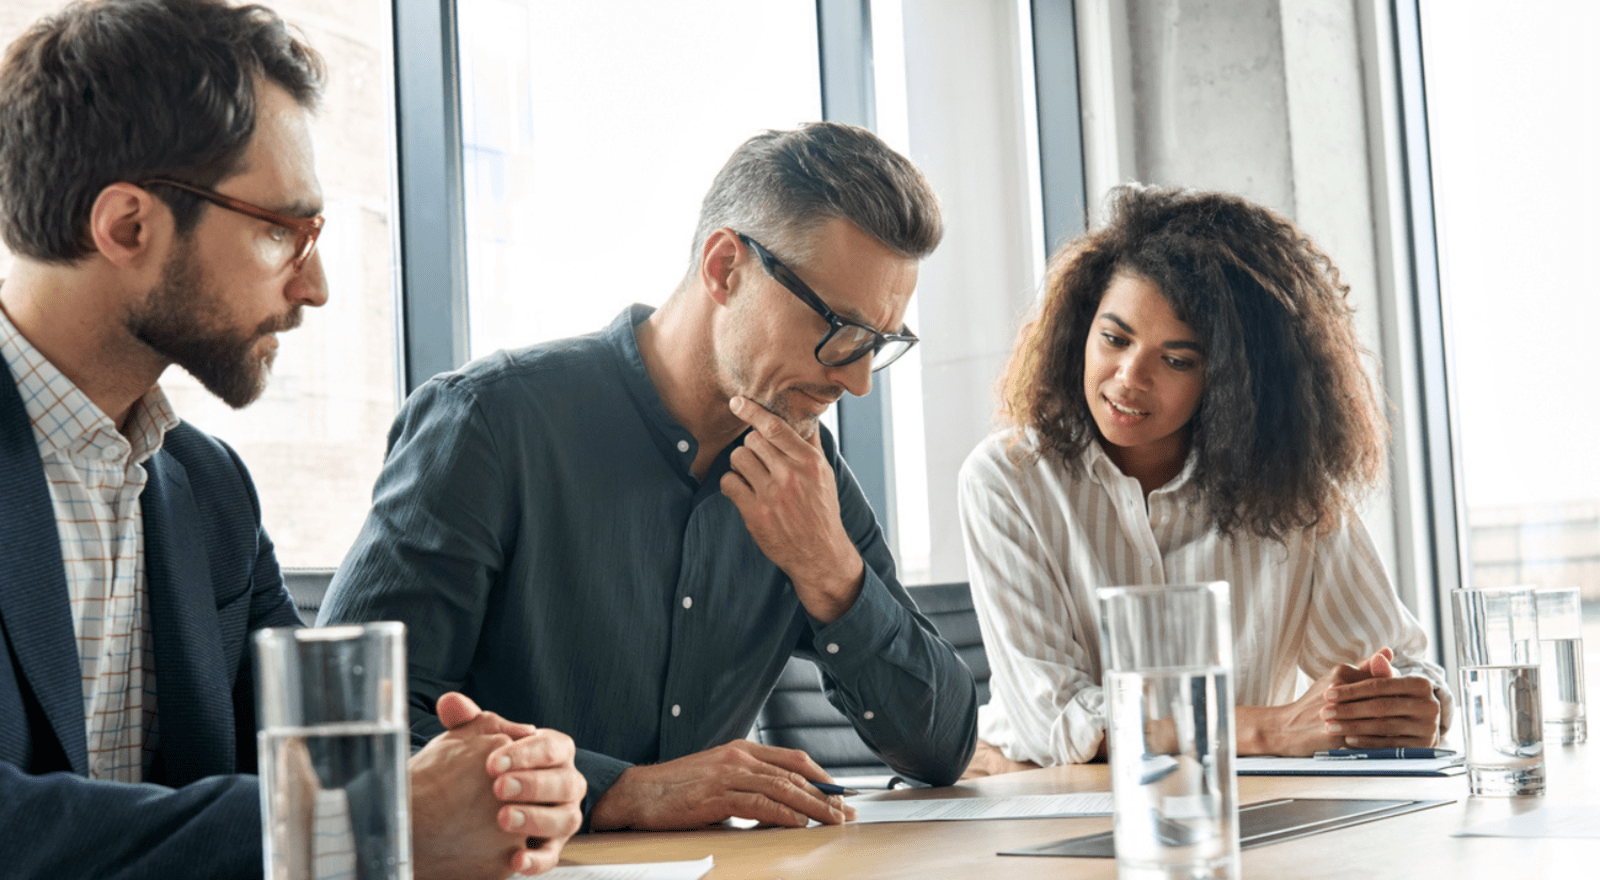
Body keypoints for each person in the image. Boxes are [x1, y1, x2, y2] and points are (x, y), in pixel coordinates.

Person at [0, 2, 581, 877]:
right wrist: (375, 818)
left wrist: (500, 787)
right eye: (283, 230)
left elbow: (304, 769)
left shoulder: (210, 491)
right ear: (127, 226)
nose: (316, 287)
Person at [319, 122, 979, 830]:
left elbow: (940, 749)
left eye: (877, 345)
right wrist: (622, 790)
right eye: (839, 330)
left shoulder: (806, 473)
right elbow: (344, 724)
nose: (856, 384)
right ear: (725, 268)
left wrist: (831, 571)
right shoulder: (489, 423)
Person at [958, 184, 1451, 772]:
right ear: (1079, 331)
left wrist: (1405, 705)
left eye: (1177, 360)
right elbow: (1057, 723)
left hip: (1239, 804)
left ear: (1231, 382)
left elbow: (1404, 665)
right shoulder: (1007, 479)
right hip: (1038, 795)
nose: (1129, 377)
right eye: (1114, 339)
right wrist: (1267, 729)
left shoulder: (1292, 492)